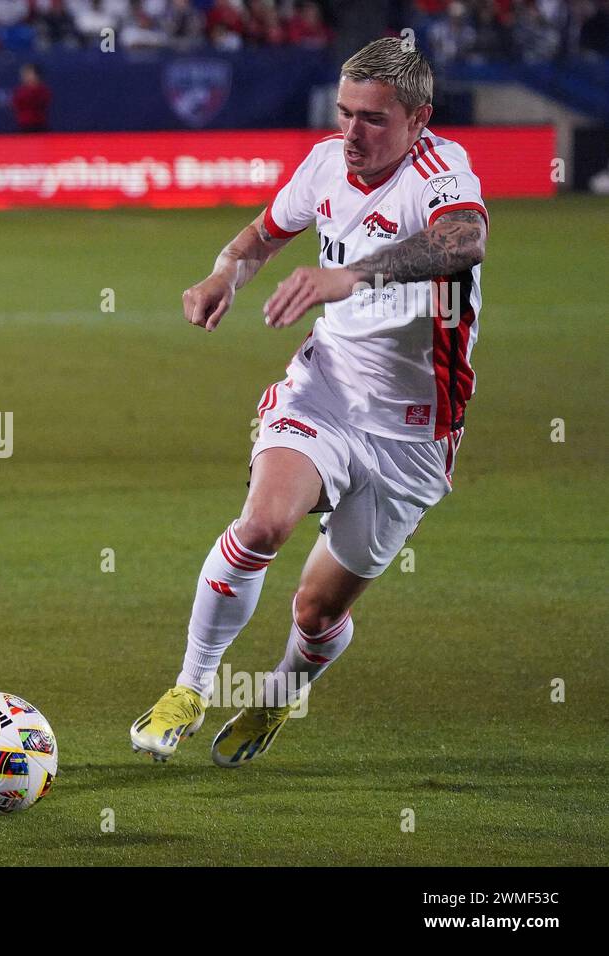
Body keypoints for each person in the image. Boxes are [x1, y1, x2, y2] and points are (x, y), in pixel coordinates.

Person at [130, 37, 488, 768]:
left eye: (374, 119)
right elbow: (263, 235)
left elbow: (464, 241)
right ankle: (189, 690)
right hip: (325, 386)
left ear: (420, 118)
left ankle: (282, 693)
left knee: (318, 612)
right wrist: (224, 275)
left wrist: (353, 276)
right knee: (262, 524)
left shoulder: (440, 172)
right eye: (344, 113)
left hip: (414, 430)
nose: (352, 134)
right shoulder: (326, 162)